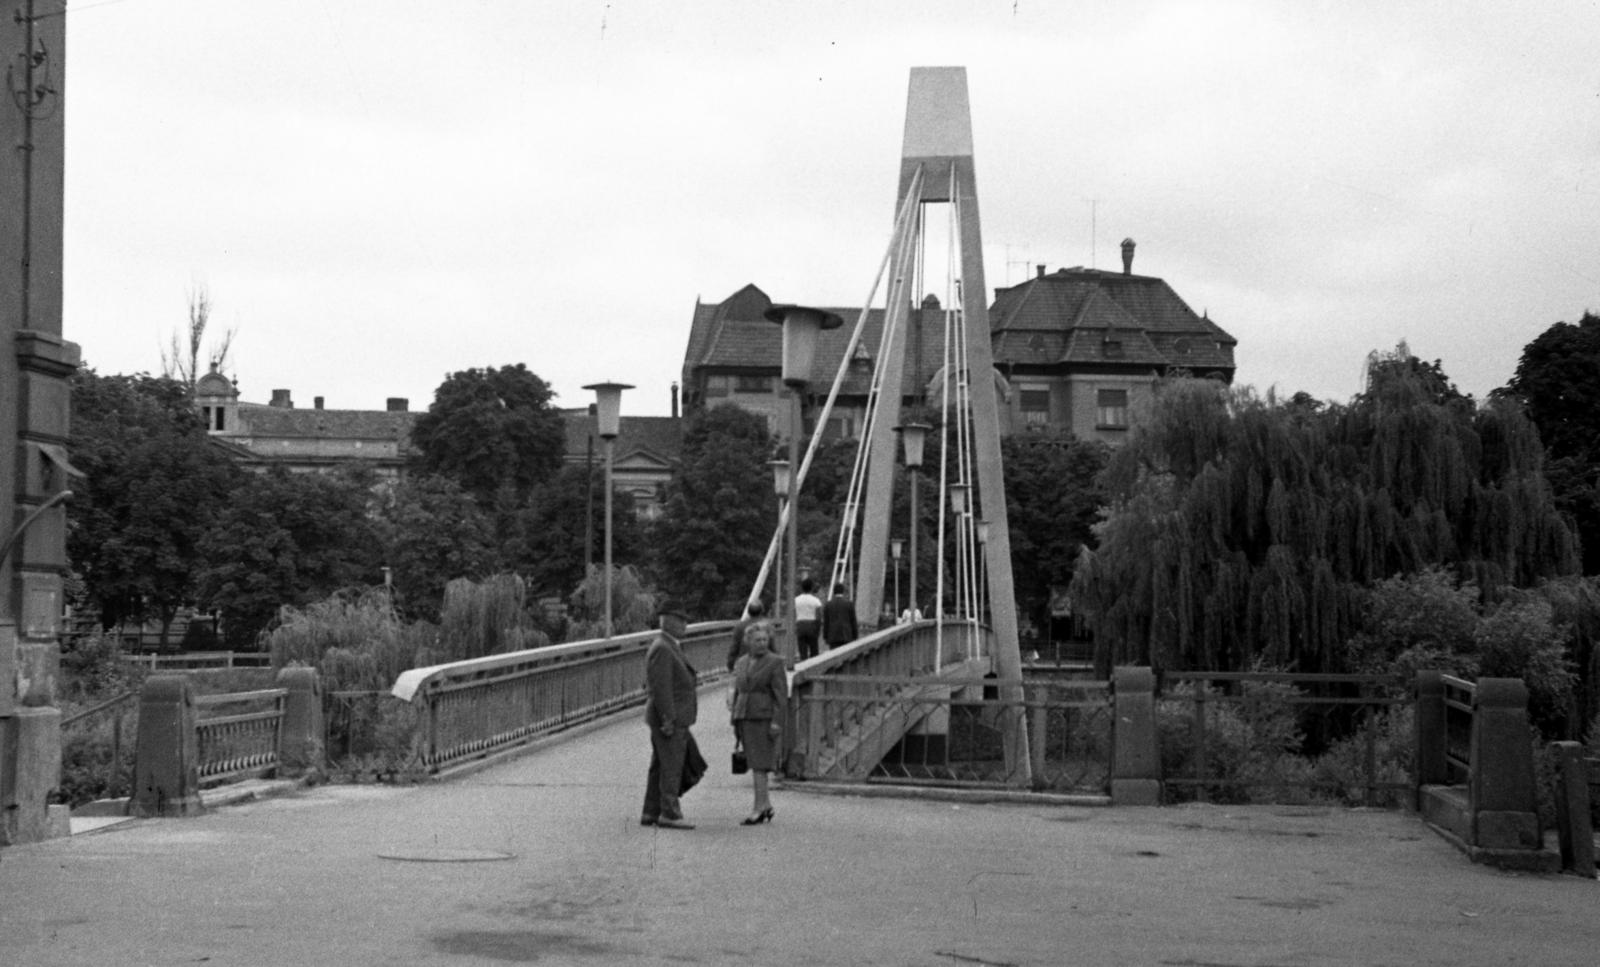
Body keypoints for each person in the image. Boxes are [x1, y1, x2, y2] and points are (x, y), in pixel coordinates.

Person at [641, 604, 698, 829]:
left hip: (672, 716)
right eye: (680, 620)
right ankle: (670, 813)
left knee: (660, 765)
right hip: (669, 719)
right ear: (667, 621)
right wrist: (668, 718)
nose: (685, 625)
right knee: (671, 766)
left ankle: (651, 811)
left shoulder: (669, 646)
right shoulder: (663, 648)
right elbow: (661, 687)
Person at [730, 621, 787, 825]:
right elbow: (738, 690)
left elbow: (781, 695)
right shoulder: (742, 662)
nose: (762, 643)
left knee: (759, 765)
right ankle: (765, 805)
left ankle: (758, 807)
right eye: (758, 640)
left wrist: (776, 722)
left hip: (763, 717)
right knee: (756, 763)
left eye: (765, 640)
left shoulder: (774, 662)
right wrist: (735, 719)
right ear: (748, 642)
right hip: (745, 716)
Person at [726, 598, 768, 671]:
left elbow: (734, 647)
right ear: (761, 611)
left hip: (745, 665)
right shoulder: (768, 627)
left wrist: (730, 664)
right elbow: (773, 647)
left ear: (748, 612)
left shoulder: (740, 627)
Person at [821, 582, 858, 650]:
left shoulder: (828, 605)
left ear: (833, 592)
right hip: (846, 635)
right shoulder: (849, 604)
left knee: (834, 656)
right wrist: (855, 636)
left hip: (833, 636)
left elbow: (826, 622)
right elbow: (853, 621)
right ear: (843, 591)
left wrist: (825, 636)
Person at [793, 577, 823, 661]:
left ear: (802, 588)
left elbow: (793, 614)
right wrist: (818, 630)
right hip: (812, 626)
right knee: (814, 649)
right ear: (812, 587)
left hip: (800, 625)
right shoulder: (816, 601)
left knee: (802, 650)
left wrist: (795, 627)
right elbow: (819, 616)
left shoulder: (796, 600)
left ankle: (803, 664)